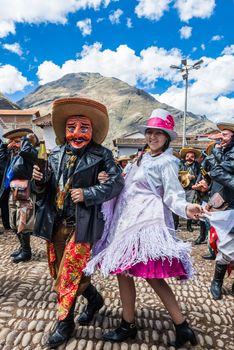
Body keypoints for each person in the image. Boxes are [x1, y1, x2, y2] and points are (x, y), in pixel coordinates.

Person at [85, 108, 203, 348]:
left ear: (167, 137)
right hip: (127, 223)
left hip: (145, 225)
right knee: (123, 273)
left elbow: (172, 195)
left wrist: (187, 208)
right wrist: (108, 180)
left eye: (158, 133)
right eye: (149, 132)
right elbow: (125, 184)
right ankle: (129, 324)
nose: (152, 137)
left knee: (154, 277)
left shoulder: (167, 163)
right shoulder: (142, 157)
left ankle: (181, 326)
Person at [32, 97, 124, 348]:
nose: (77, 133)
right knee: (58, 270)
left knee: (68, 275)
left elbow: (116, 184)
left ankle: (65, 321)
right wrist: (38, 181)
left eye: (84, 127)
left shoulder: (102, 155)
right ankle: (94, 299)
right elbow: (43, 192)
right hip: (55, 224)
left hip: (83, 225)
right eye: (72, 127)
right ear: (64, 130)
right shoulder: (53, 155)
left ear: (92, 130)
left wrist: (89, 193)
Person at [0, 128, 38, 262]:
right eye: (12, 142)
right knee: (14, 221)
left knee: (23, 221)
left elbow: (28, 152)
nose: (14, 145)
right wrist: (6, 146)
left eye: (17, 141)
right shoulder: (13, 154)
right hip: (12, 190)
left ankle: (27, 252)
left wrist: (26, 141)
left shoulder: (30, 152)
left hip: (25, 192)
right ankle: (22, 248)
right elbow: (1, 157)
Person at [206, 122, 234, 300]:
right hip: (226, 205)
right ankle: (217, 281)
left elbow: (217, 172)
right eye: (221, 134)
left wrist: (216, 154)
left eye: (225, 134)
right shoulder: (224, 152)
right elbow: (214, 172)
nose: (220, 137)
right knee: (226, 245)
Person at [178, 147, 201, 233]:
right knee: (178, 205)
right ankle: (176, 224)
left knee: (190, 206)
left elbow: (199, 174)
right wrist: (184, 177)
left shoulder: (197, 165)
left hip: (192, 188)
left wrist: (196, 181)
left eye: (192, 156)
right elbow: (177, 173)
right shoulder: (180, 164)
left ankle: (189, 225)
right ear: (185, 157)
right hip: (181, 188)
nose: (190, 158)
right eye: (188, 156)